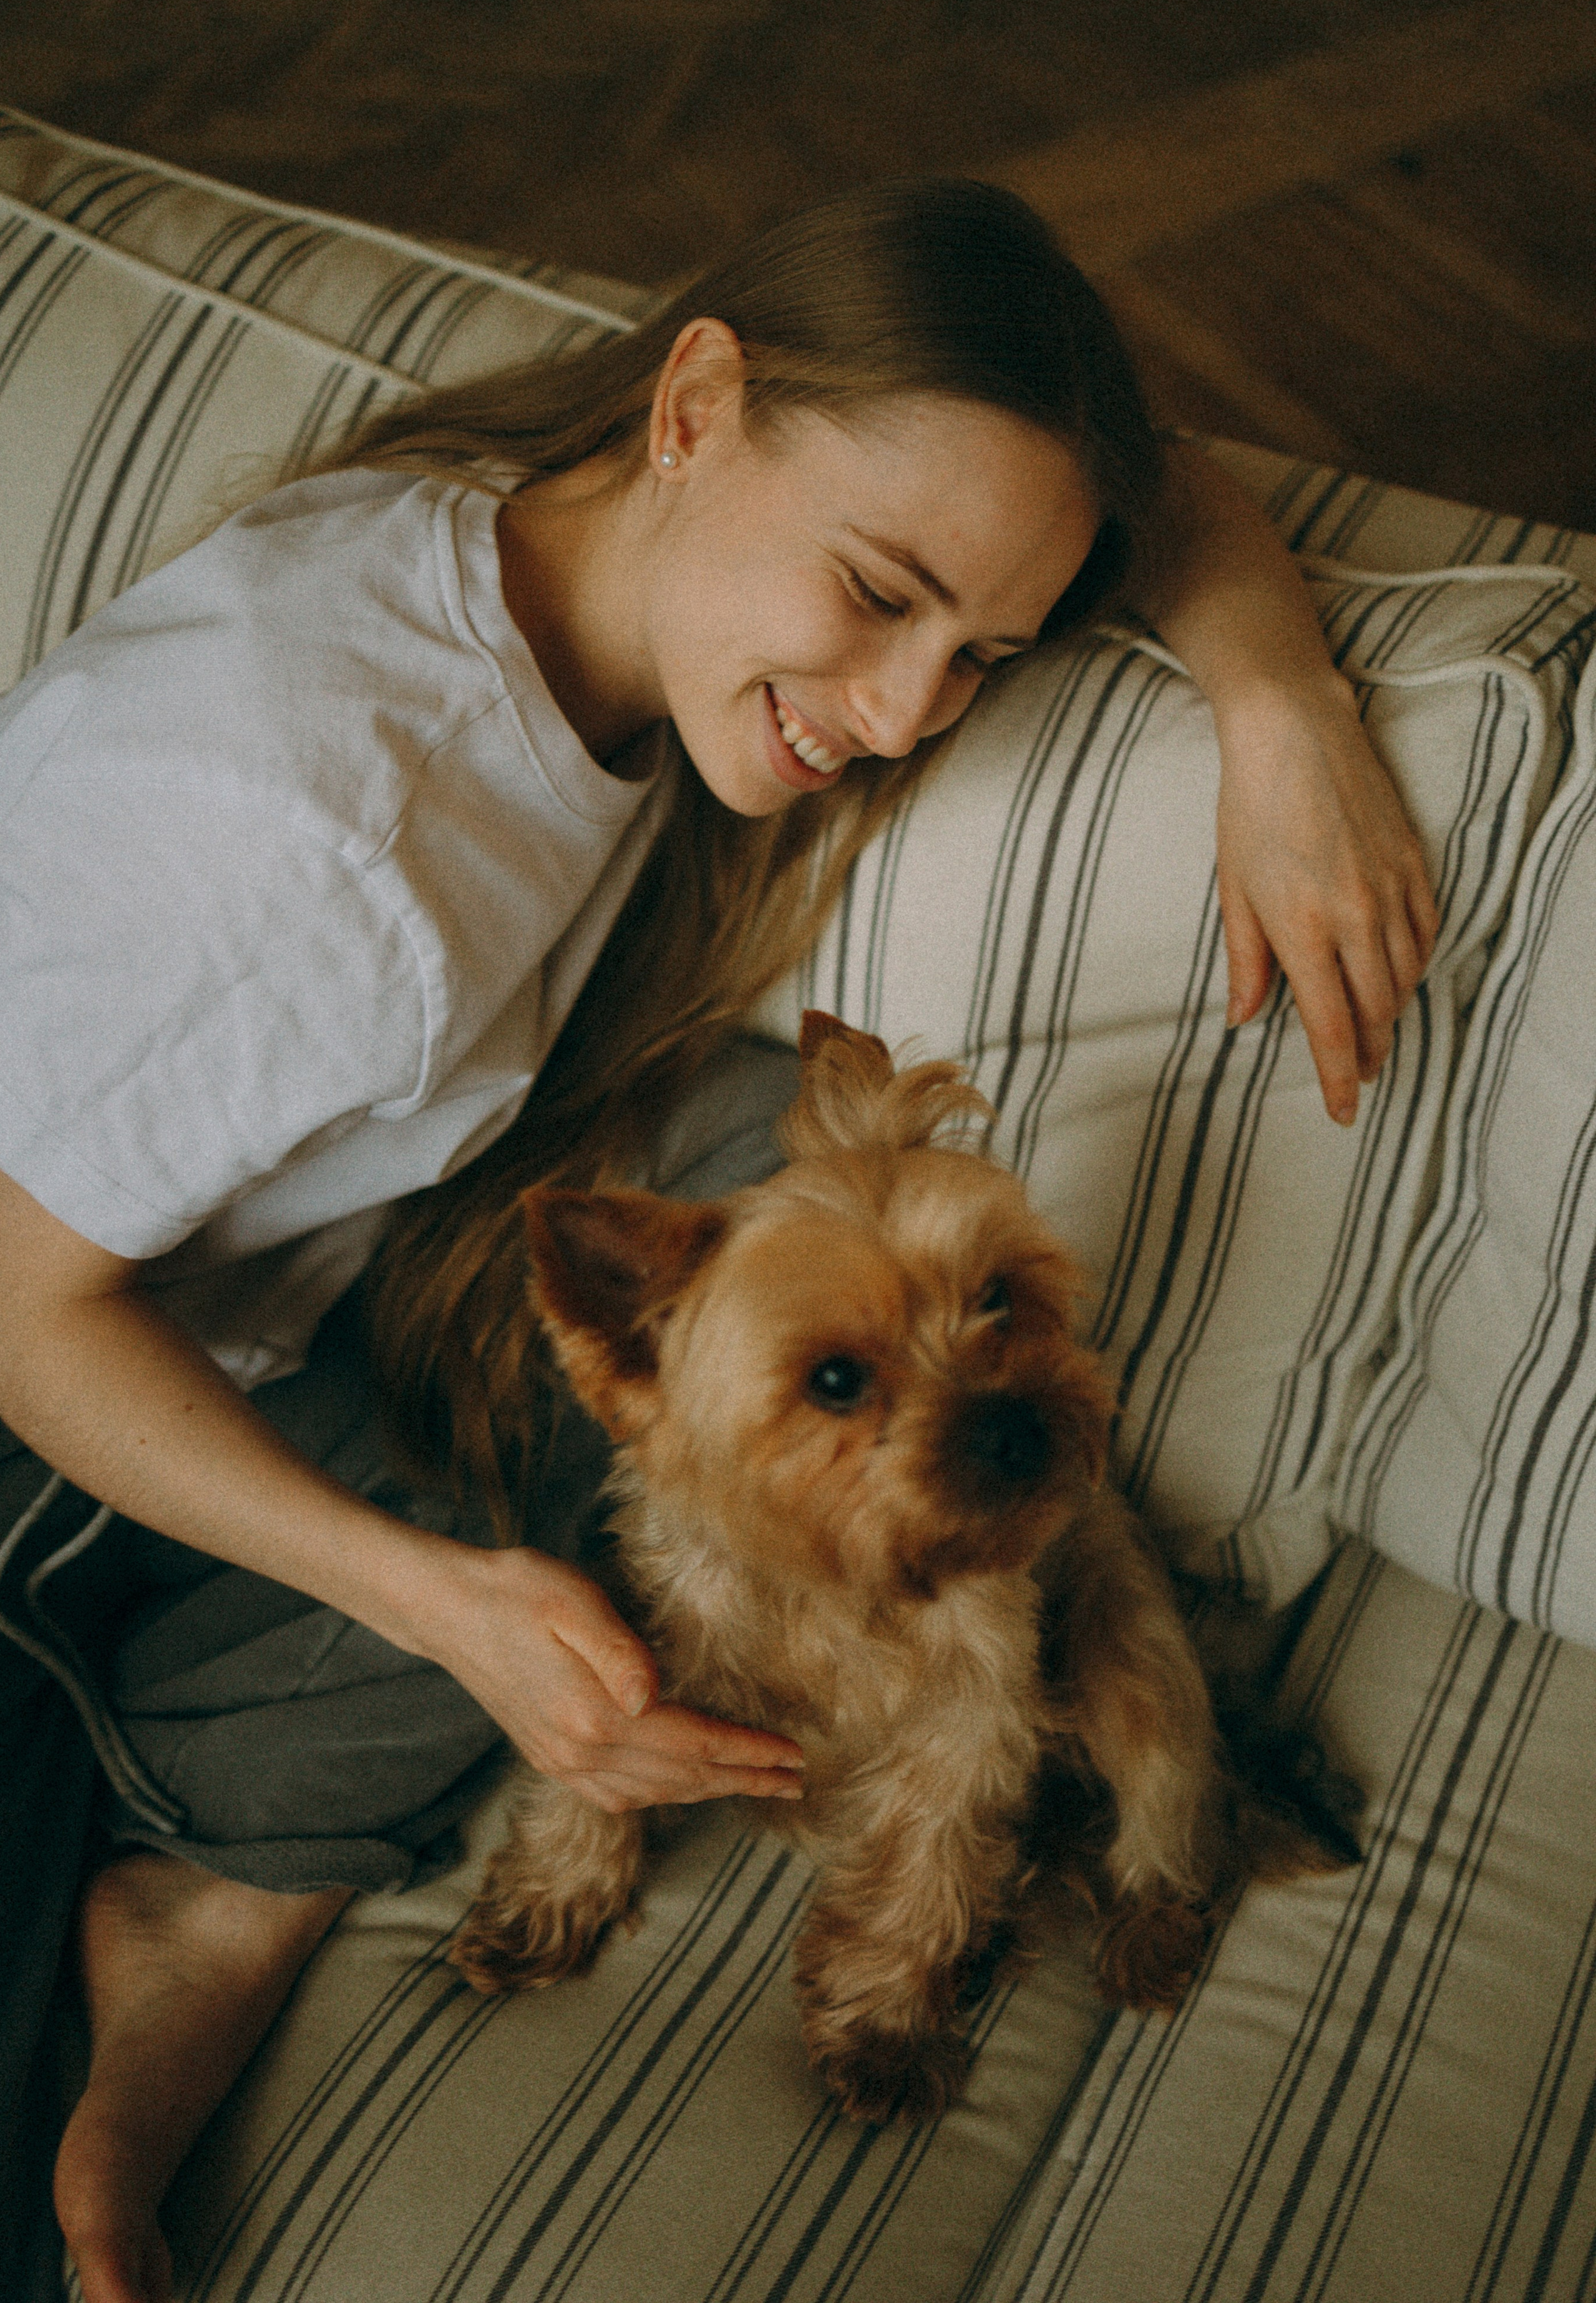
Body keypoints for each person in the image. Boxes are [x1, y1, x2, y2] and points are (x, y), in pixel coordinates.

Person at [0, 178, 1435, 2303]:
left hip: (253, 1283)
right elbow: (20, 1309)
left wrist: (1279, 703)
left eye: (985, 656)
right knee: (585, 1512)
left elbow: (1140, 474)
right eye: (879, 600)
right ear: (698, 405)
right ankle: (210, 1895)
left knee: (748, 1214)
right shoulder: (331, 837)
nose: (905, 709)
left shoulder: (541, 542)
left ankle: (214, 1858)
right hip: (48, 1421)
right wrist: (443, 1607)